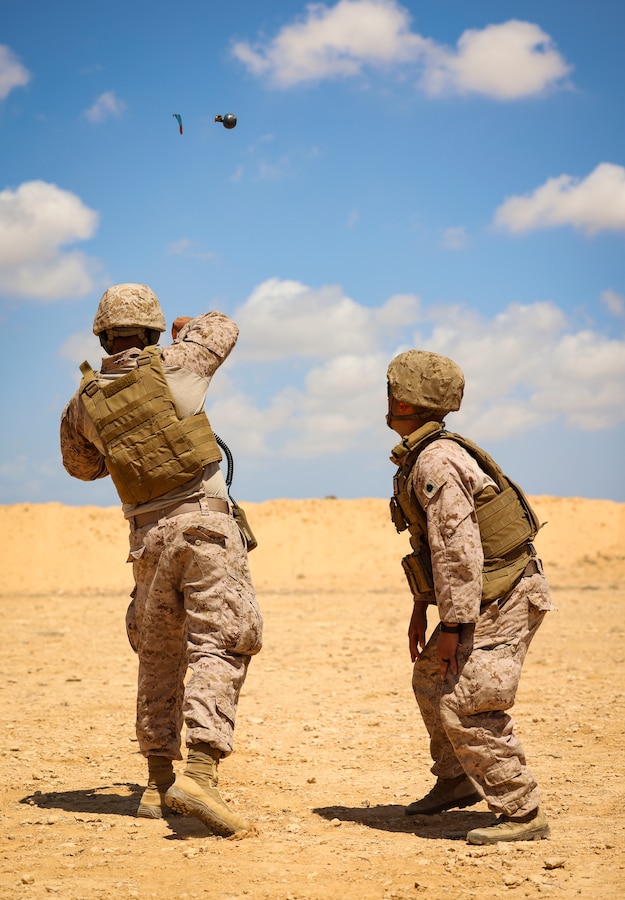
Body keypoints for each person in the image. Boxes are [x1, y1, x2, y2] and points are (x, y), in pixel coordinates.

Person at [60, 283, 262, 836]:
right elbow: (224, 327)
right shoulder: (178, 363)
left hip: (147, 541)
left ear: (102, 335)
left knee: (158, 654)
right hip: (204, 530)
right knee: (221, 642)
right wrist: (184, 329)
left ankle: (157, 782)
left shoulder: (81, 404)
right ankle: (200, 774)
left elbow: (82, 467)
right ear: (150, 331)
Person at [386, 349, 553, 845]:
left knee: (468, 700)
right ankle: (457, 779)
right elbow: (432, 545)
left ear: (405, 402)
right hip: (482, 593)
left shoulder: (436, 461)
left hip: (503, 594)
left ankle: (522, 811)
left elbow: (458, 552)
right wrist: (423, 605)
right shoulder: (426, 454)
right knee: (430, 678)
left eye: (392, 393)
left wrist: (454, 628)